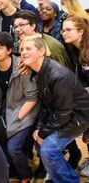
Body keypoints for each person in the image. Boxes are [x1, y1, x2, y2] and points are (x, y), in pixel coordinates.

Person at [21, 35, 89, 183]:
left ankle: (68, 180)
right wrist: (39, 128)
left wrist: (43, 133)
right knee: (40, 146)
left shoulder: (57, 75)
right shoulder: (39, 71)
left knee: (48, 150)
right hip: (64, 115)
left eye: (28, 48)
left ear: (42, 51)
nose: (23, 52)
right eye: (22, 49)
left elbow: (64, 112)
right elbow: (46, 106)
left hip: (79, 118)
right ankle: (66, 177)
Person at [0, 32, 39, 182]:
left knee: (13, 148)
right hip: (5, 110)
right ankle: (12, 170)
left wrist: (18, 117)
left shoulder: (22, 67)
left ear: (9, 50)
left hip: (24, 110)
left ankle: (25, 175)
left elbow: (32, 98)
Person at [62, 16, 89, 175]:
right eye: (63, 30)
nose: (64, 33)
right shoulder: (75, 49)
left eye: (68, 30)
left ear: (81, 31)